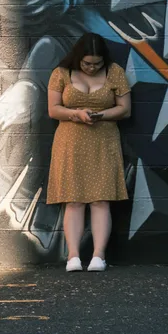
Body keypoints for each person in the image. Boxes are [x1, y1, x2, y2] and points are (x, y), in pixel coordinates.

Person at [46, 33, 132, 272]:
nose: (92, 68)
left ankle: (98, 257)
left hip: (104, 140)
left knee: (100, 199)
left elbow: (125, 110)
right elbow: (53, 110)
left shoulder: (115, 72)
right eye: (87, 63)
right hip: (70, 141)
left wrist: (100, 115)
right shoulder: (60, 73)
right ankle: (73, 257)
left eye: (97, 63)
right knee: (73, 200)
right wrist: (77, 114)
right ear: (78, 59)